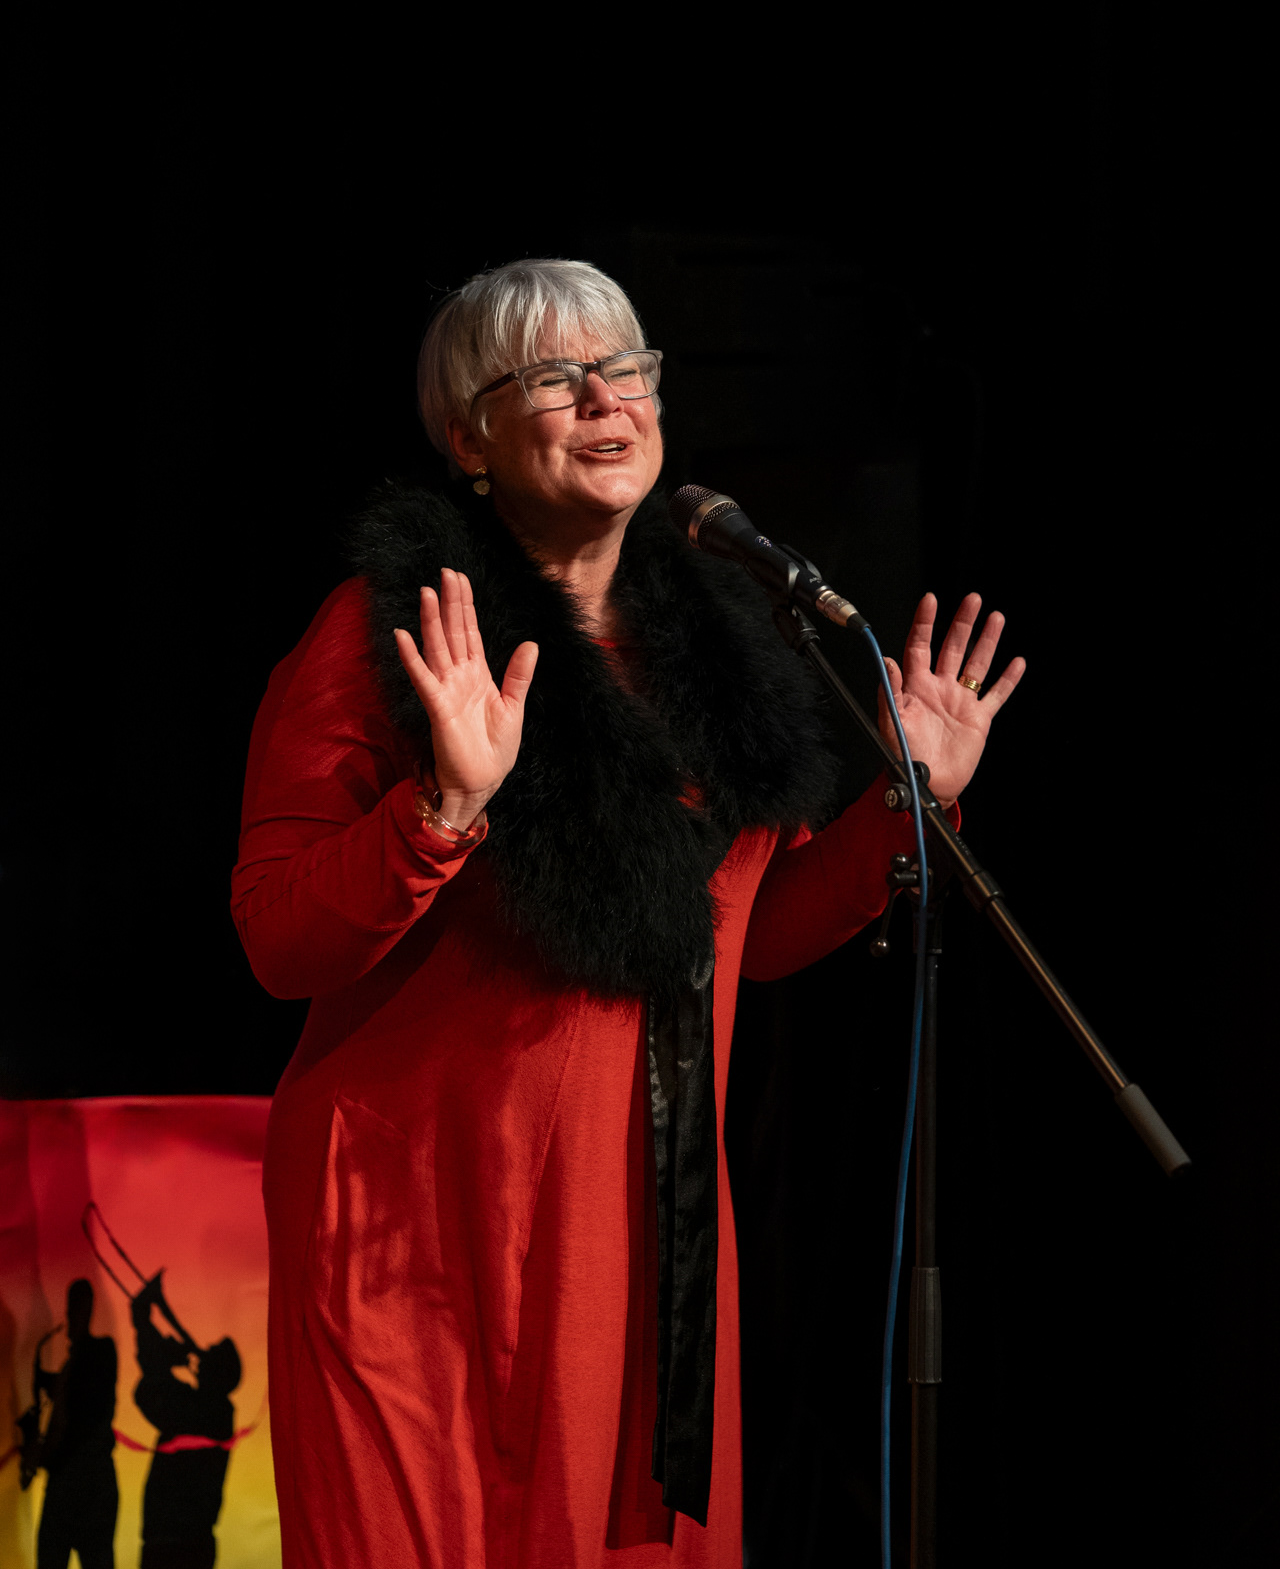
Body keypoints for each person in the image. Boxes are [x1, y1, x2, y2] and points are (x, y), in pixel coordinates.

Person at [231, 258, 1024, 1568]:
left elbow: (749, 936)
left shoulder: (715, 655)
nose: (607, 398)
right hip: (418, 1236)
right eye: (555, 377)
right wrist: (441, 805)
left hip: (635, 1241)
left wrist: (909, 799)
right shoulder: (392, 634)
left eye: (627, 368)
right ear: (469, 440)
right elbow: (276, 937)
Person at [130, 1275, 241, 1569]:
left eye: (209, 1354)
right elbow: (154, 1388)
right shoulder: (216, 1411)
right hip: (182, 1543)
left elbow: (148, 1392)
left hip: (175, 1545)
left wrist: (147, 1330)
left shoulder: (210, 1411)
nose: (201, 1354)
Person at [31, 1279, 118, 1569]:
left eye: (74, 1310)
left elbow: (76, 1403)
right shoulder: (95, 1356)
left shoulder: (97, 1354)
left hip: (76, 1481)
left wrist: (44, 1454)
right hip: (90, 1482)